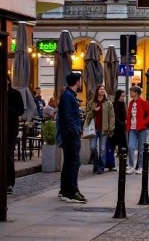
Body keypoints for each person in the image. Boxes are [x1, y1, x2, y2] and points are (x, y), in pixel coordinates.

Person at [0, 77, 24, 194]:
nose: (2, 82)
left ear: (8, 81)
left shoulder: (15, 94)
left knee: (8, 155)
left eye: (4, 80)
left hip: (11, 129)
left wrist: (6, 108)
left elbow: (20, 110)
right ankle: (0, 183)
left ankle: (9, 183)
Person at [58, 72, 86, 203]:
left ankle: (66, 190)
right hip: (70, 135)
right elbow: (69, 116)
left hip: (70, 133)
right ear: (77, 82)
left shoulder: (69, 96)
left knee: (69, 163)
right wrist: (75, 130)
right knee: (74, 162)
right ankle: (71, 191)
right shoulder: (68, 96)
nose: (81, 82)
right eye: (80, 80)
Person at [85, 84, 114, 174]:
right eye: (100, 89)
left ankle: (101, 167)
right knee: (93, 147)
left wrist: (111, 128)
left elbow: (112, 116)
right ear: (97, 91)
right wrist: (94, 111)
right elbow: (87, 114)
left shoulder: (108, 103)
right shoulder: (91, 102)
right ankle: (96, 164)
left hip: (104, 129)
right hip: (93, 129)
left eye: (103, 89)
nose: (102, 90)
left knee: (102, 149)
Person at [125, 85, 149, 174]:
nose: (130, 93)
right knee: (130, 147)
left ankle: (140, 166)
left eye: (131, 91)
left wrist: (144, 122)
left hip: (142, 129)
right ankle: (131, 166)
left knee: (141, 149)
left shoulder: (143, 102)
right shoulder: (130, 103)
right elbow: (129, 116)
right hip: (132, 129)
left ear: (136, 93)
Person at [110, 89, 127, 170]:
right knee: (112, 146)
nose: (123, 98)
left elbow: (124, 116)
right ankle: (111, 164)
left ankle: (123, 162)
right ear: (118, 96)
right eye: (122, 96)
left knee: (123, 146)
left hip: (121, 128)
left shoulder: (123, 104)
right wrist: (122, 123)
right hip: (115, 128)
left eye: (124, 96)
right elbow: (115, 116)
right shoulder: (114, 105)